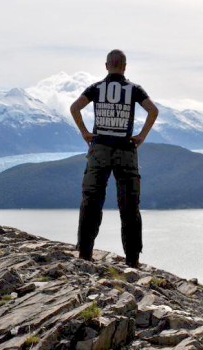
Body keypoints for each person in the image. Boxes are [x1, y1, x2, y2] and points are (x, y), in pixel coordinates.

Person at [70, 49, 159, 268]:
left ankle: (85, 253)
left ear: (107, 65)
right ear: (125, 66)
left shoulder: (96, 88)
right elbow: (153, 111)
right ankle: (132, 260)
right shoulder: (134, 89)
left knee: (91, 200)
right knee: (129, 205)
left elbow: (75, 107)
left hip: (99, 148)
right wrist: (141, 136)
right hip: (126, 151)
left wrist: (84, 132)